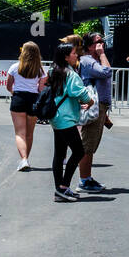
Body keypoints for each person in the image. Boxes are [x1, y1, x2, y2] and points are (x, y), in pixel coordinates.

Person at [46, 43, 94, 202]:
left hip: (56, 117)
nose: (76, 56)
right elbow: (81, 93)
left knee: (59, 154)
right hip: (66, 119)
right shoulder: (71, 74)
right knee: (79, 151)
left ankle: (59, 190)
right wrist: (90, 101)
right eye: (74, 53)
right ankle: (63, 187)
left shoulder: (53, 70)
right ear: (66, 57)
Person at [77, 32, 114, 193]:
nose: (102, 44)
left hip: (99, 107)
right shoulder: (87, 61)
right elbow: (107, 71)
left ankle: (87, 178)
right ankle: (83, 181)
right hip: (94, 107)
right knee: (87, 145)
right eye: (98, 42)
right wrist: (102, 54)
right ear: (89, 46)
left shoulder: (93, 60)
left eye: (103, 42)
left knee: (91, 145)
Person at [5, 41, 46, 172]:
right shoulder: (40, 70)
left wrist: (14, 93)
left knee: (20, 133)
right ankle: (26, 158)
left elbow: (8, 86)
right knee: (29, 133)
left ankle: (23, 160)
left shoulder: (14, 67)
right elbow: (41, 89)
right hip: (33, 100)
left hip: (18, 99)